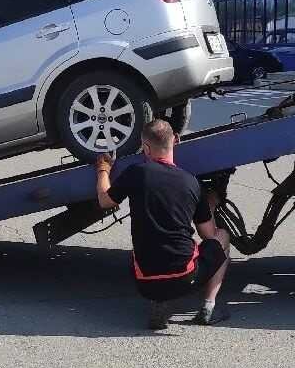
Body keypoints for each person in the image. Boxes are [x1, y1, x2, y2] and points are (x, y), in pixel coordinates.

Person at [95, 119, 230, 330]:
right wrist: (209, 205)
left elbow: (104, 201)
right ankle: (208, 307)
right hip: (186, 278)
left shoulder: (136, 173)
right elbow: (208, 234)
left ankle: (159, 301)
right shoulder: (191, 182)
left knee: (152, 244)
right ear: (175, 140)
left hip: (145, 283)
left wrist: (103, 169)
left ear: (146, 148)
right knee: (222, 236)